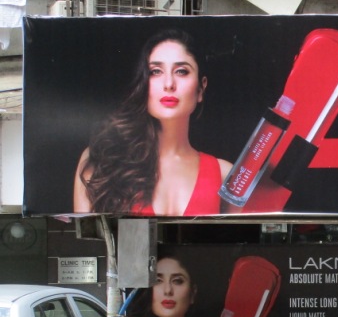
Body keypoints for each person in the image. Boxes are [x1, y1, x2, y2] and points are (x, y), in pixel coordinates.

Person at [74, 29, 231, 216]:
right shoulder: (101, 159)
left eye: (181, 71)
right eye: (155, 72)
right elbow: (85, 235)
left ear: (201, 88)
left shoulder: (224, 175)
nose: (169, 84)